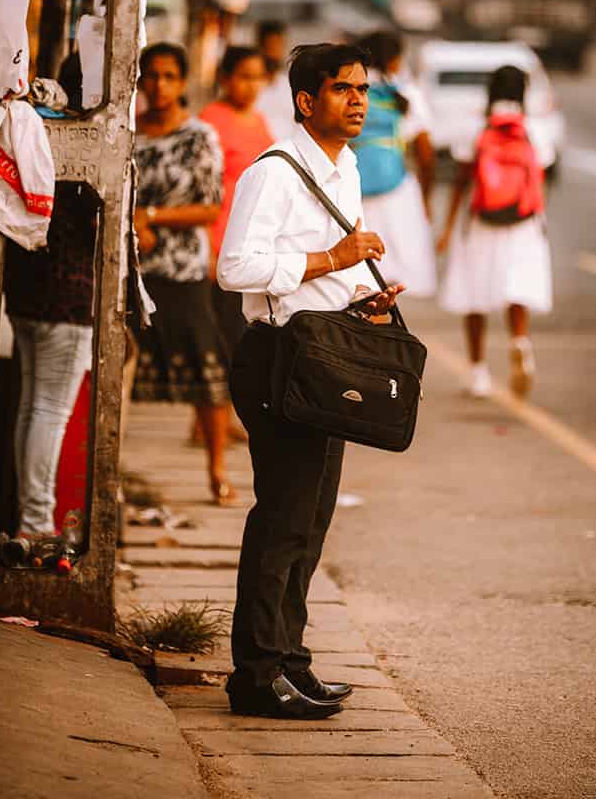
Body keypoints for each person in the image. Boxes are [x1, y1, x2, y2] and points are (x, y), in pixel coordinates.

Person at [217, 42, 405, 719]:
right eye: (342, 90)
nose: (358, 100)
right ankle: (256, 675)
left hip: (325, 360)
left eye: (362, 89)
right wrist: (335, 257)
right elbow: (236, 268)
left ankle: (289, 659)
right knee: (283, 518)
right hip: (277, 360)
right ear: (306, 101)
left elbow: (335, 276)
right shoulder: (273, 174)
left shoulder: (347, 168)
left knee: (313, 519)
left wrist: (365, 295)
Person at [130, 43, 238, 507]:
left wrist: (149, 215)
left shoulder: (199, 137)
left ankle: (217, 469)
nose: (158, 85)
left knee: (206, 371)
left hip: (181, 271)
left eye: (169, 76)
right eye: (150, 76)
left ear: (182, 82)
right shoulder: (125, 132)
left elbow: (210, 207)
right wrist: (131, 223)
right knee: (119, 371)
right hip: (130, 270)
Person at [437, 65, 550, 399]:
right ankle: (519, 338)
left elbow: (460, 183)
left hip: (481, 222)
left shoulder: (476, 129)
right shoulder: (534, 131)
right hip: (523, 223)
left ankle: (478, 372)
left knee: (476, 296)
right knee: (516, 287)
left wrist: (446, 228)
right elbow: (541, 178)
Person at [2, 182, 97, 539]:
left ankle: (30, 517)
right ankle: (36, 522)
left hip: (26, 290)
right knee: (48, 413)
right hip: (66, 298)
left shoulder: (32, 143)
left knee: (31, 409)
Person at [196, 45, 274, 445]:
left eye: (257, 76)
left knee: (237, 333)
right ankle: (212, 421)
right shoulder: (211, 121)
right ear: (225, 77)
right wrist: (209, 248)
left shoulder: (259, 122)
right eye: (243, 75)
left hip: (248, 245)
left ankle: (214, 420)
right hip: (218, 244)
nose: (250, 85)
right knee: (225, 336)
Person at [352, 30, 436, 297]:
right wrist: (426, 197)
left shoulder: (352, 93)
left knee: (359, 273)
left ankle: (364, 327)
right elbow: (425, 154)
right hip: (395, 190)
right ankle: (379, 330)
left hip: (355, 193)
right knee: (389, 271)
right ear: (395, 60)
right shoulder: (406, 94)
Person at [254, 19, 297, 139]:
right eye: (269, 46)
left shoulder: (290, 85)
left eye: (277, 46)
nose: (273, 53)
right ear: (260, 46)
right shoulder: (251, 87)